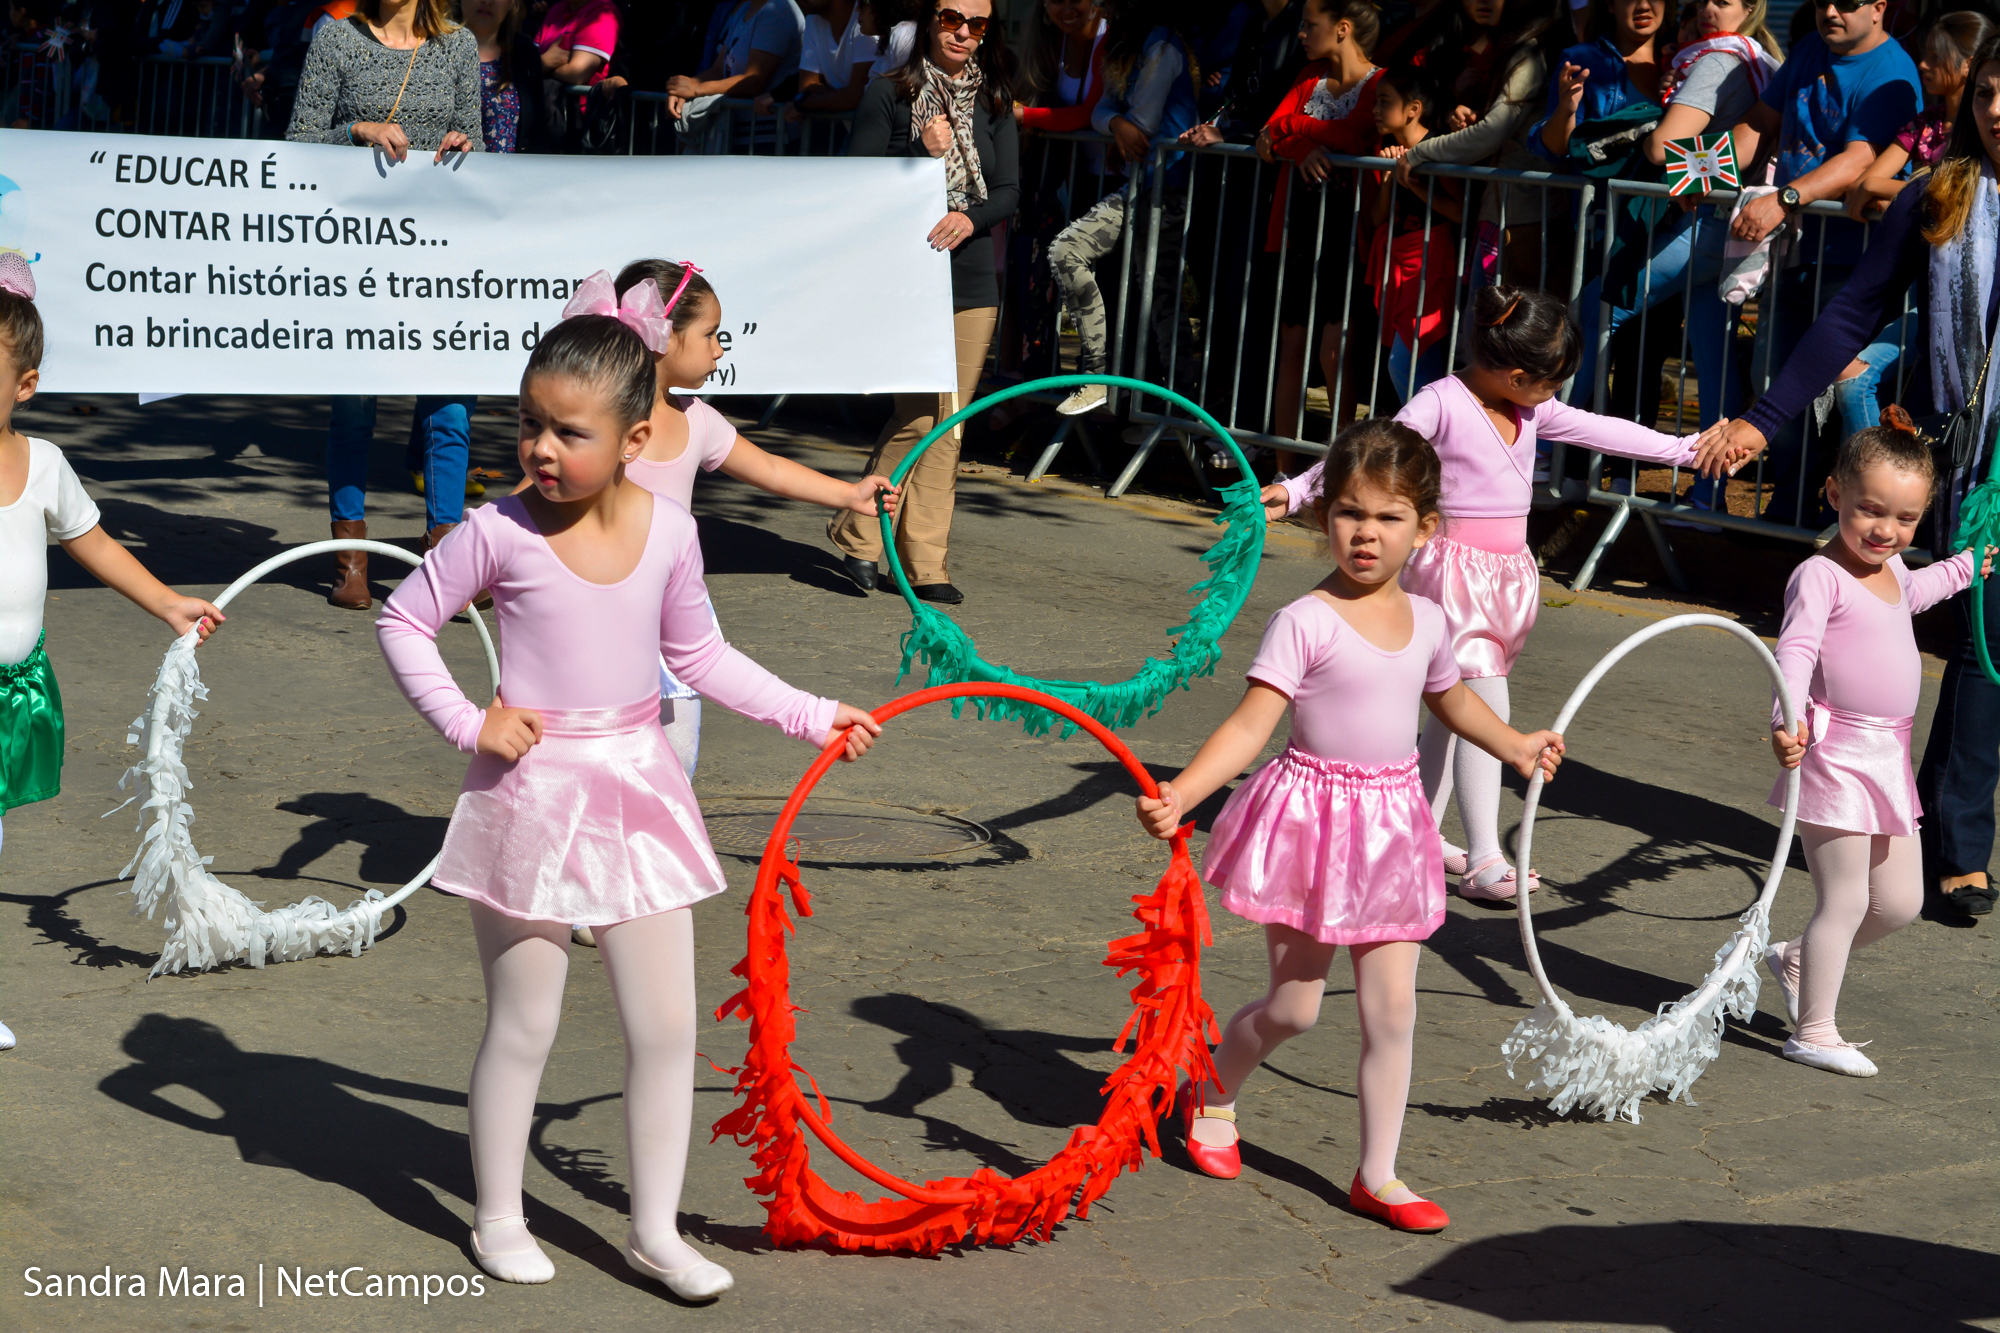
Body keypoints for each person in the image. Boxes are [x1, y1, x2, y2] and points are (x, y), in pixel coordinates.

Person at [375, 302, 883, 1298]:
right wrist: (466, 722)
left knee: (663, 1029)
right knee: (524, 1022)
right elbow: (403, 618)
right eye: (529, 424)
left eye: (570, 432)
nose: (541, 449)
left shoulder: (670, 534)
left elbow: (698, 654)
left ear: (635, 437)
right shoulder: (496, 530)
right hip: (529, 791)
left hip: (637, 786)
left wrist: (809, 713)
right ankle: (499, 1215)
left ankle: (654, 1229)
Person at [1134, 418, 1564, 1230]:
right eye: (1348, 513)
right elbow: (1249, 724)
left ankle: (1380, 1173)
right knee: (1296, 1008)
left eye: (1389, 517)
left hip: (1394, 826)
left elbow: (1450, 698)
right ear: (1324, 513)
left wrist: (1515, 743)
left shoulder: (1434, 620)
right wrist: (1185, 791)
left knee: (1392, 1010)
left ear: (1425, 528)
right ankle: (1213, 1089)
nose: (1365, 534)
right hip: (1313, 820)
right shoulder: (1306, 619)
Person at [1263, 287, 1730, 897]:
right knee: (1483, 704)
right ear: (1515, 374)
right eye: (1551, 381)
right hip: (1454, 577)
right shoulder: (1441, 403)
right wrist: (1298, 490)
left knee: (1446, 718)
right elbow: (1376, 449)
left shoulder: (1531, 409)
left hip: (1507, 576)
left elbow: (1603, 430)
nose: (1556, 395)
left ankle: (1415, 839)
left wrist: (1688, 451)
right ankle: (1485, 856)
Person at [1700, 38, 2000, 920]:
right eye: (1987, 92)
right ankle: (1850, 807)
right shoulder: (1939, 196)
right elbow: (1854, 311)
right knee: (1877, 629)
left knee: (1988, 645)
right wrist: (1764, 418)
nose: (1996, 111)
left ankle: (1958, 842)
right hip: (1940, 454)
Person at [550, 262, 898, 950]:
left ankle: (632, 873)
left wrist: (849, 494)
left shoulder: (697, 421)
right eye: (709, 334)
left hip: (673, 620)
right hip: (602, 618)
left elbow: (767, 468)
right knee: (589, 755)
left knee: (673, 758)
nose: (718, 349)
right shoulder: (603, 421)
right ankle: (579, 882)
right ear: (663, 337)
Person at [0, 254, 225, 1053]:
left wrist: (168, 602)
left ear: (24, 385)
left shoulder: (45, 466)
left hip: (12, 692)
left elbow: (92, 541)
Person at [1764, 428, 1992, 1074]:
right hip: (1834, 754)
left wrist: (1967, 565)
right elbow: (1795, 651)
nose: (1885, 530)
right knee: (1845, 900)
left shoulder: (1891, 567)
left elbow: (1913, 596)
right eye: (1870, 509)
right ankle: (1814, 1028)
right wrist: (1786, 718)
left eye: (1905, 518)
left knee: (1900, 901)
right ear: (1835, 492)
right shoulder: (1819, 575)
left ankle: (1799, 959)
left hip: (1887, 759)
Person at [287, 0, 483, 609]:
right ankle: (349, 552)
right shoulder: (337, 39)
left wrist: (462, 142)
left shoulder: (458, 45)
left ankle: (445, 551)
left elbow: (475, 136)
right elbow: (299, 138)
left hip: (438, 253)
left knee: (449, 404)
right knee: (355, 406)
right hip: (358, 257)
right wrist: (358, 131)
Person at [828, 0, 1018, 605]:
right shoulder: (888, 92)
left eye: (978, 24)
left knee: (952, 424)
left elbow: (1009, 191)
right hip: (905, 272)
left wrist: (969, 216)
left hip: (970, 279)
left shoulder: (993, 99)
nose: (963, 32)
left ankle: (923, 561)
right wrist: (920, 154)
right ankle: (861, 537)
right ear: (929, 22)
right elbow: (857, 183)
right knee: (918, 415)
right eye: (951, 18)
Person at [1564, 0, 1778, 511]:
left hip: (1707, 228)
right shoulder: (1761, 58)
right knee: (1714, 364)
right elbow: (1742, 150)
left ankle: (1546, 453)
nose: (1708, 8)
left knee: (1594, 311)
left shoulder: (1717, 60)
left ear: (1751, 8)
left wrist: (1686, 175)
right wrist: (1699, 176)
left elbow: (1663, 147)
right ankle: (1707, 501)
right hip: (1730, 229)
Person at [1727, 0, 1920, 525]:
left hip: (1853, 264)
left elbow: (1860, 160)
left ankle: (1849, 519)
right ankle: (1789, 506)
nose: (1829, 10)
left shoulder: (1893, 72)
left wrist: (1783, 198)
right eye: (1820, 0)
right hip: (1795, 254)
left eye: (1847, 1)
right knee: (1775, 381)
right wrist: (1706, 172)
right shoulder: (1811, 47)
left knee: (1835, 393)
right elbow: (1761, 120)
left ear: (1880, 8)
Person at [1828, 12, 1995, 443]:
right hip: (1926, 301)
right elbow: (1868, 184)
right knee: (1853, 376)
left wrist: (1918, 186)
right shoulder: (1924, 126)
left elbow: (1882, 186)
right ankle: (1879, 478)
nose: (1921, 65)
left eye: (1934, 56)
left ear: (1968, 63)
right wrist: (1928, 189)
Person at [1047, 0, 1202, 419]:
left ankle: (1178, 408)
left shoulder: (1162, 47)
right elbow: (1104, 110)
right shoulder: (1126, 46)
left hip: (1165, 187)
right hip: (1141, 186)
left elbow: (1144, 121)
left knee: (1160, 298)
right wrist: (1116, 124)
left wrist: (1119, 120)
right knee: (1070, 252)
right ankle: (1099, 375)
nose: (1103, 8)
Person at [1252, 0, 1384, 465]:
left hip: (1348, 228)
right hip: (1299, 225)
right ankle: (1286, 470)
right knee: (1292, 345)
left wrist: (1292, 130)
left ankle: (1340, 467)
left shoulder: (1378, 82)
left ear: (1343, 29)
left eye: (1311, 25)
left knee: (1335, 352)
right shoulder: (1307, 76)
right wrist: (1302, 145)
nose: (1303, 33)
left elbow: (1350, 135)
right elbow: (1265, 140)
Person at [1391, 0, 1561, 291]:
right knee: (1485, 324)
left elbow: (1493, 131)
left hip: (1523, 213)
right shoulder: (1519, 50)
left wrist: (1421, 151)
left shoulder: (1530, 53)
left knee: (1512, 327)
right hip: (1504, 209)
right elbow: (1499, 126)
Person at [1002, 0, 1105, 379]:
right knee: (1033, 279)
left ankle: (1096, 390)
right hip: (1057, 182)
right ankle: (1026, 387)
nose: (1066, 7)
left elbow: (1088, 114)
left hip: (1110, 180)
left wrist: (1025, 116)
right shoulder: (1045, 42)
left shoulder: (1109, 39)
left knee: (1097, 293)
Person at [1370, 66, 1465, 402]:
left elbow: (1459, 211)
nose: (1375, 110)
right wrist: (1387, 181)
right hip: (1399, 263)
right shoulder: (1388, 151)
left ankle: (1429, 444)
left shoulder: (1437, 149)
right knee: (1410, 364)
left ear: (1413, 109)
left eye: (1384, 102)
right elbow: (1380, 217)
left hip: (1431, 268)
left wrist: (1415, 184)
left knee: (1405, 364)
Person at [667, 0, 805, 150]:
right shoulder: (745, 8)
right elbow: (718, 70)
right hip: (731, 134)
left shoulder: (778, 9)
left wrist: (696, 88)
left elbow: (754, 80)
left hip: (766, 141)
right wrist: (683, 90)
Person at [461, 0, 547, 152]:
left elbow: (537, 131)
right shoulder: (433, 47)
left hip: (510, 173)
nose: (487, 1)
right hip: (450, 172)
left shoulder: (525, 52)